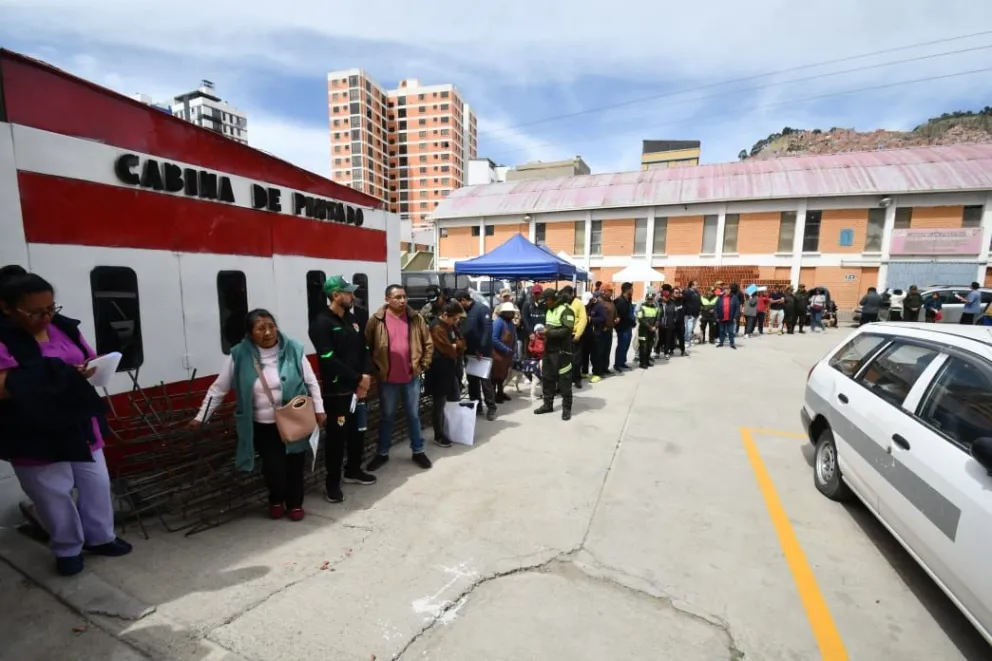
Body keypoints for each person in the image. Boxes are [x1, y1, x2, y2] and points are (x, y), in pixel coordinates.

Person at [0, 270, 133, 576]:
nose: (46, 317)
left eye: (50, 308)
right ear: (7, 308)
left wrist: (90, 368)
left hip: (79, 418)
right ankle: (68, 548)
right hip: (33, 427)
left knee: (96, 482)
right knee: (52, 492)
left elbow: (85, 356)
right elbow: (4, 386)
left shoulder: (63, 326)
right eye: (35, 312)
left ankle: (101, 537)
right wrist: (61, 373)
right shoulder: (4, 338)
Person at [194, 309, 326, 519]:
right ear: (249, 333)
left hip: (295, 420)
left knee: (295, 464)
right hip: (263, 424)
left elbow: (311, 382)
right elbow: (219, 388)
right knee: (273, 467)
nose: (267, 333)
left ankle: (294, 504)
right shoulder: (239, 354)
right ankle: (275, 498)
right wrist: (201, 416)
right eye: (260, 329)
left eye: (271, 327)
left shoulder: (294, 349)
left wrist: (319, 409)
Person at [308, 276, 377, 504]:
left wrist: (365, 377)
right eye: (348, 293)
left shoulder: (353, 319)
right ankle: (332, 482)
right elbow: (328, 359)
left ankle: (354, 469)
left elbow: (364, 348)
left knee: (358, 430)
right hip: (337, 391)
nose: (352, 296)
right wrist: (358, 378)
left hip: (359, 388)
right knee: (337, 438)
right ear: (335, 295)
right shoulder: (321, 323)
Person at [365, 285, 434, 472]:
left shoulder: (415, 318)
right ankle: (382, 453)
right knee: (387, 417)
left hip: (411, 377)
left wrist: (422, 365)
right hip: (387, 380)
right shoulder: (376, 320)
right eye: (398, 297)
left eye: (404, 297)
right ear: (387, 299)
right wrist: (376, 370)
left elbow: (428, 343)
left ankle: (418, 451)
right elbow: (367, 347)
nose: (403, 300)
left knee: (413, 416)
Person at [425, 301, 466, 448]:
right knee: (439, 404)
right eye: (454, 318)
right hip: (438, 370)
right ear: (444, 315)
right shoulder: (436, 327)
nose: (457, 321)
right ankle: (438, 434)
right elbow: (447, 349)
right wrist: (455, 346)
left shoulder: (451, 326)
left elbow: (462, 343)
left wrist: (456, 345)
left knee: (454, 398)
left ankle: (452, 430)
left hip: (450, 369)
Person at [454, 289, 496, 420]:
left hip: (482, 352)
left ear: (463, 300)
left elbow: (487, 330)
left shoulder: (481, 309)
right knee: (472, 381)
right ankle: (476, 406)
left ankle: (491, 407)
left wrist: (481, 349)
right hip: (469, 352)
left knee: (485, 381)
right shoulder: (462, 312)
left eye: (459, 303)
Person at [534, 289, 575, 420]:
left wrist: (548, 333)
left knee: (564, 381)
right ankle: (548, 405)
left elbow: (567, 330)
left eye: (547, 300)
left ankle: (566, 409)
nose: (545, 303)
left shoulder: (566, 309)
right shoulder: (549, 310)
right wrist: (543, 333)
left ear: (553, 299)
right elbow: (550, 327)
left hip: (562, 352)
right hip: (548, 350)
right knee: (547, 378)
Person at [491, 301, 517, 403]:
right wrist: (505, 349)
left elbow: (514, 337)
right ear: (505, 312)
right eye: (511, 312)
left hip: (507, 355)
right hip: (498, 354)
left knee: (503, 376)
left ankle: (500, 392)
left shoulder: (510, 323)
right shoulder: (498, 322)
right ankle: (493, 395)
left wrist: (514, 349)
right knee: (495, 376)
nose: (513, 314)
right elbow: (493, 339)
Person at [562, 285, 587, 390]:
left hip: (575, 335)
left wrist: (578, 334)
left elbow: (583, 319)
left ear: (573, 294)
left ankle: (577, 378)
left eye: (569, 294)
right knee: (564, 359)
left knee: (576, 359)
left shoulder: (578, 304)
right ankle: (565, 380)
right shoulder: (562, 303)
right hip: (564, 335)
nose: (567, 297)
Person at [613, 283, 635, 371]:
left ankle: (622, 362)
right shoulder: (620, 301)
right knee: (621, 346)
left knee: (626, 346)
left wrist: (633, 322)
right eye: (632, 289)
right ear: (628, 290)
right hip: (622, 328)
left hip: (628, 327)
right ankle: (617, 364)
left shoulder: (628, 300)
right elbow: (619, 315)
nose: (633, 291)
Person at [636, 292, 658, 369]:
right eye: (648, 299)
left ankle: (647, 361)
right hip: (643, 331)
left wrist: (655, 326)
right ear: (646, 299)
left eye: (651, 299)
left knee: (649, 347)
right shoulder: (641, 308)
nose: (650, 300)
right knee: (643, 347)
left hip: (652, 330)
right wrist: (649, 326)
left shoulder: (655, 308)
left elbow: (657, 319)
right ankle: (642, 363)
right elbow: (640, 319)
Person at [715, 284, 741, 349]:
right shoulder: (720, 297)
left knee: (731, 331)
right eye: (725, 289)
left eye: (728, 289)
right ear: (723, 290)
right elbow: (716, 308)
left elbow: (737, 308)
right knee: (721, 331)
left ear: (730, 290)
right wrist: (717, 317)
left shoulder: (734, 297)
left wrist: (735, 317)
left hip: (731, 318)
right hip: (722, 317)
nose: (727, 290)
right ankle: (721, 343)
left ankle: (732, 343)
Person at [655, 288, 677, 358]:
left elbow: (675, 314)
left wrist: (674, 320)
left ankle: (666, 352)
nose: (667, 298)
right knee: (660, 339)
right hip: (661, 325)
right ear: (661, 296)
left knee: (668, 339)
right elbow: (656, 314)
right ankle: (657, 352)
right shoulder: (658, 304)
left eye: (668, 296)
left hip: (669, 324)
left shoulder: (672, 304)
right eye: (665, 296)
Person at [682, 280, 700, 352]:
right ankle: (686, 341)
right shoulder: (686, 292)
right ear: (691, 285)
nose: (697, 286)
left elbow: (698, 302)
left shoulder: (696, 292)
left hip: (696, 313)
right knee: (688, 328)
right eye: (695, 284)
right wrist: (686, 312)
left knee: (692, 328)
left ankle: (688, 339)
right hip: (689, 314)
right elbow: (683, 302)